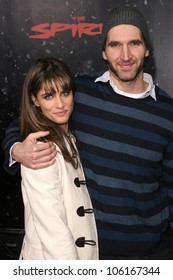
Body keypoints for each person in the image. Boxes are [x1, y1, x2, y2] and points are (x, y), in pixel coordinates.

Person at [2, 7, 173, 259]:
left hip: (152, 253)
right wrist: (16, 149)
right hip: (90, 251)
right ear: (104, 52)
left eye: (134, 43)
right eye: (115, 45)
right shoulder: (80, 92)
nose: (125, 55)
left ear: (147, 49)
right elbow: (29, 119)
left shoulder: (167, 111)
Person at [13, 57, 98, 260]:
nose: (60, 104)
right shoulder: (39, 150)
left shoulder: (68, 136)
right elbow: (53, 229)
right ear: (35, 100)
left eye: (65, 93)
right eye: (49, 96)